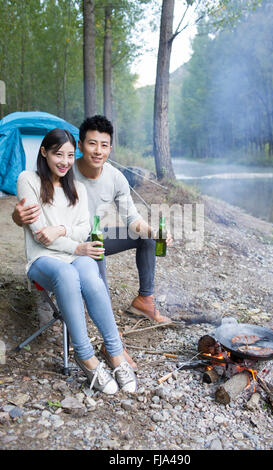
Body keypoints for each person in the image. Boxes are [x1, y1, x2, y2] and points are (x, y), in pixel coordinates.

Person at [13, 115, 173, 323]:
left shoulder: (116, 178)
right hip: (66, 240)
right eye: (92, 143)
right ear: (80, 145)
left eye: (104, 145)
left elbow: (132, 219)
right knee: (96, 256)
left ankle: (144, 300)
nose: (98, 151)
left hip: (93, 234)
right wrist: (17, 217)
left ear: (110, 149)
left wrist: (154, 231)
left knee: (146, 237)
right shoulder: (64, 169)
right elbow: (33, 209)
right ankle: (101, 324)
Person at [16, 128, 137, 394]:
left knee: (91, 277)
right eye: (58, 154)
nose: (64, 161)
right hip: (42, 260)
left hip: (75, 254)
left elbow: (84, 228)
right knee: (68, 274)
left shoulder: (77, 188)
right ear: (44, 152)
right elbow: (40, 236)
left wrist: (61, 231)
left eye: (70, 155)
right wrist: (76, 245)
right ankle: (86, 357)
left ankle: (115, 354)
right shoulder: (29, 179)